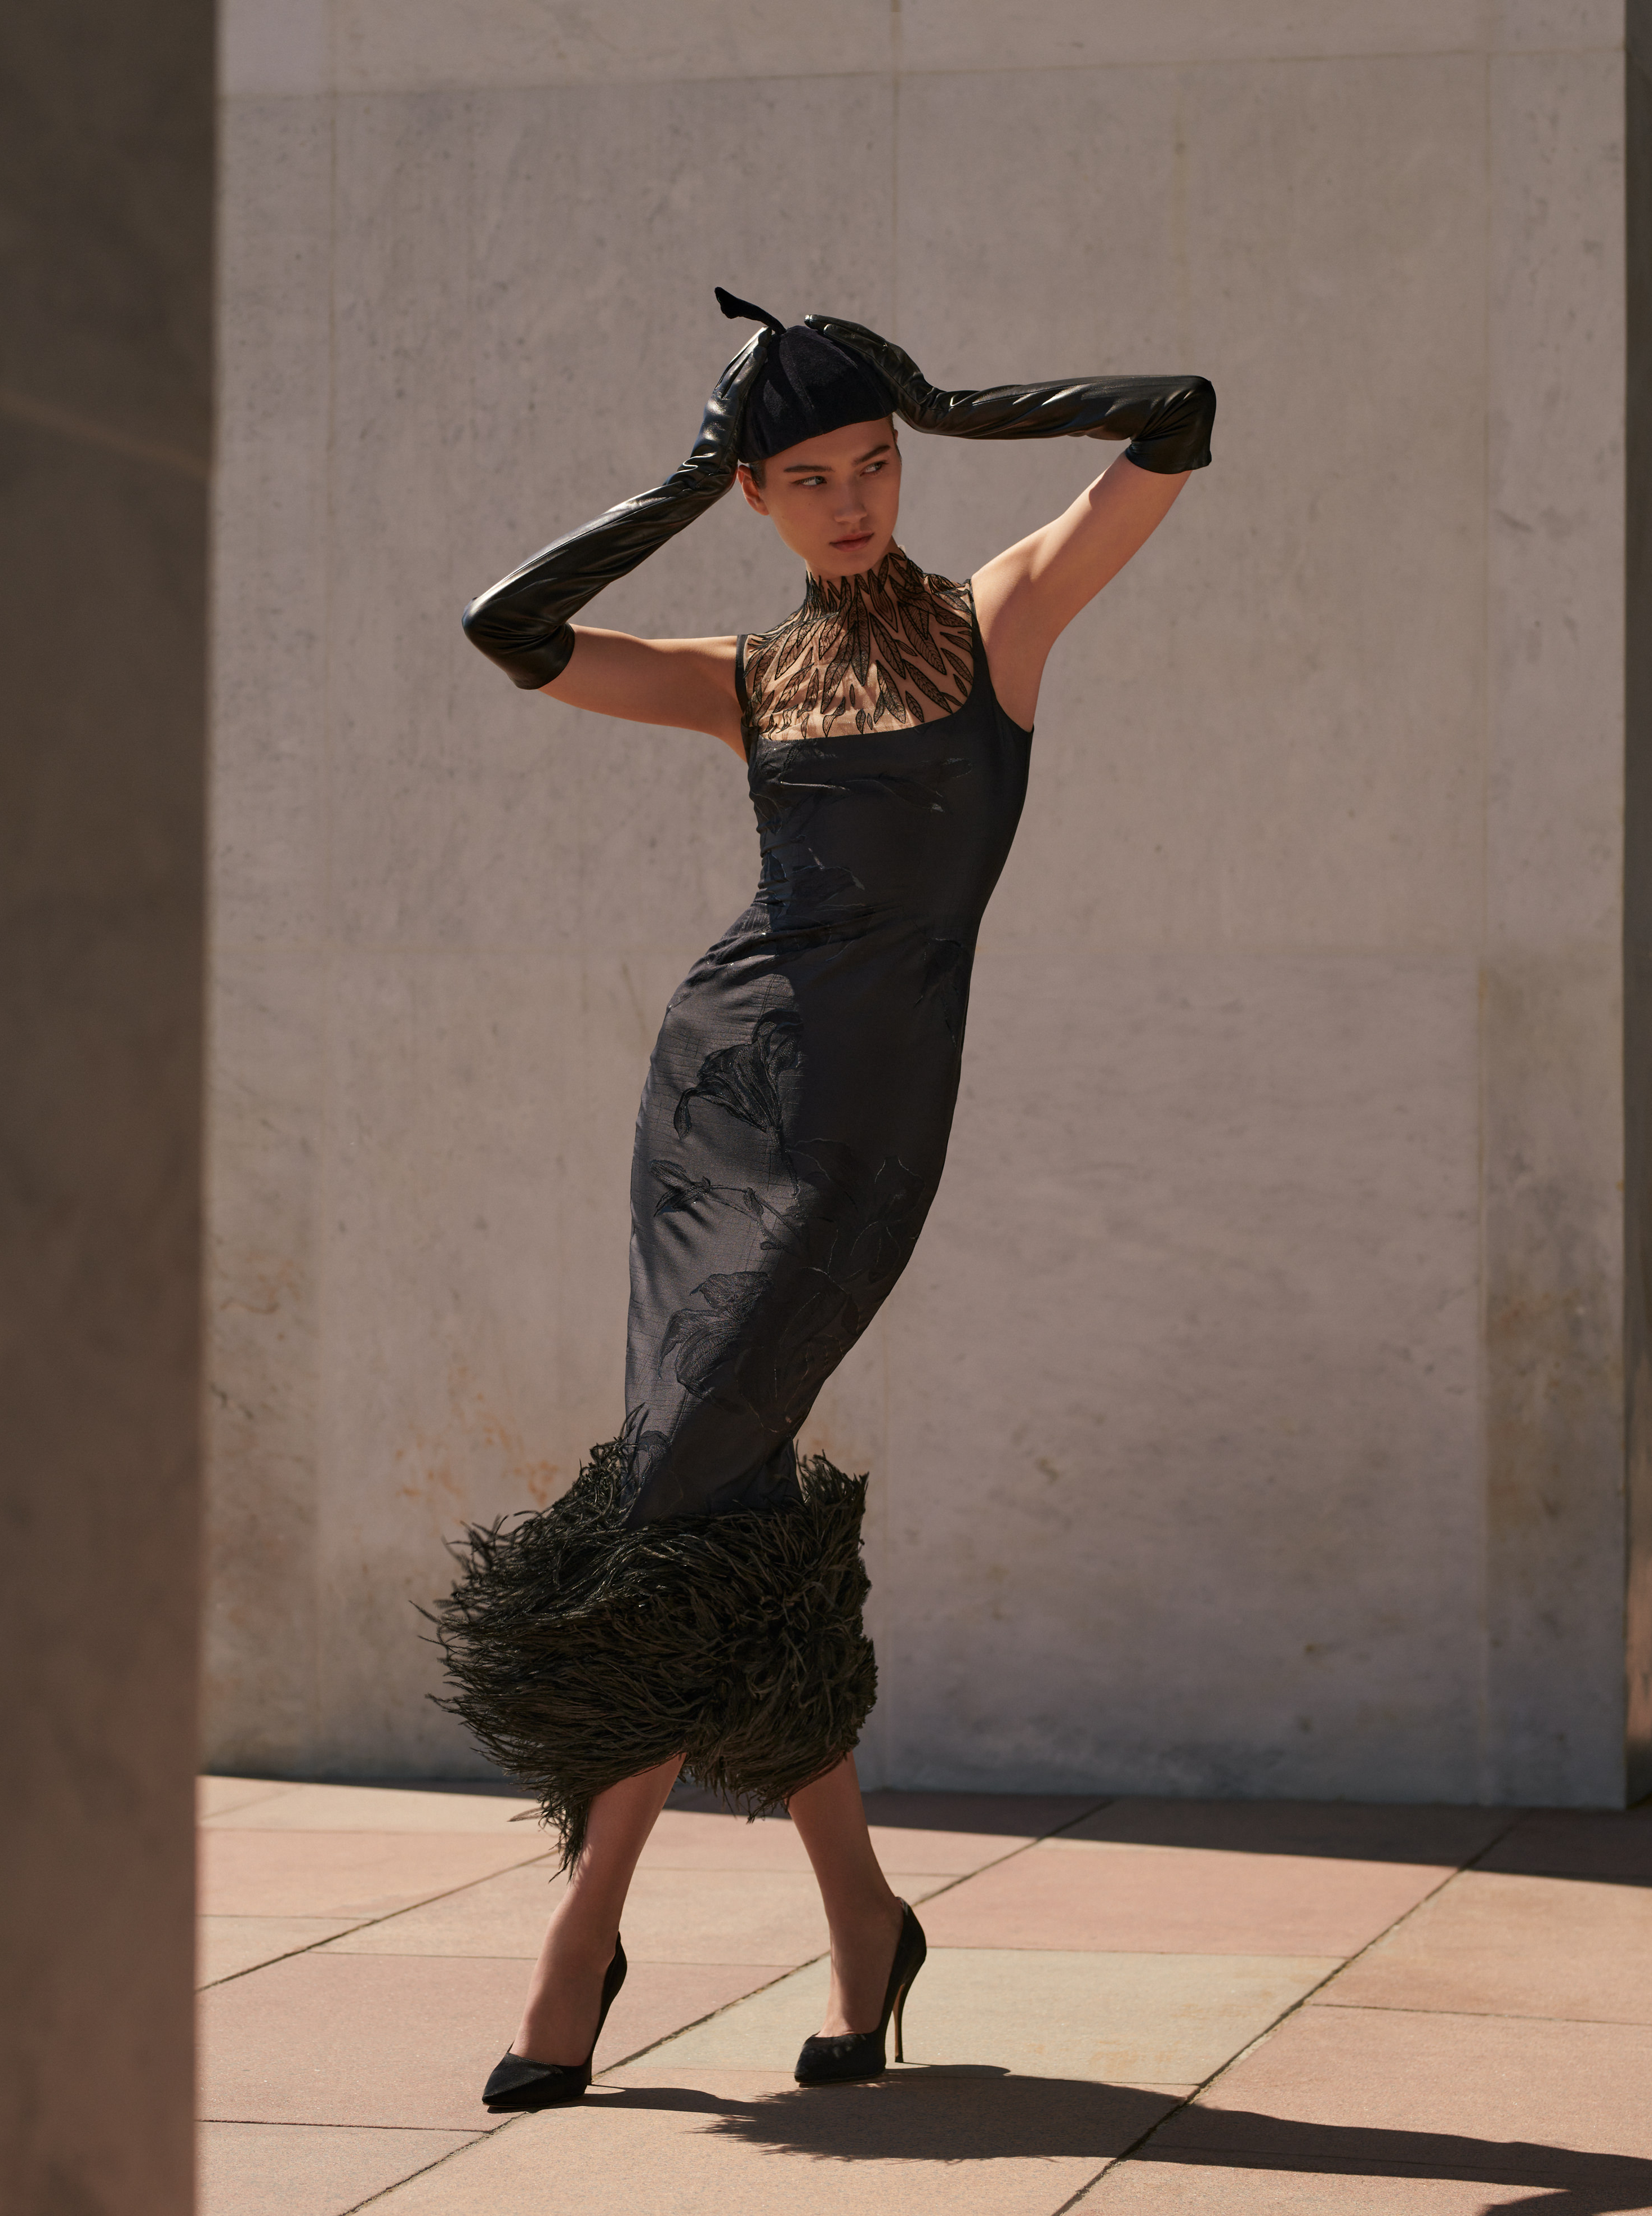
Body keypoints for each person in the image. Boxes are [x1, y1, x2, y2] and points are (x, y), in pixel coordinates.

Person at [438, 289, 1213, 2111]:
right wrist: (683, 476)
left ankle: (584, 1943)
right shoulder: (744, 678)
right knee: (714, 1494)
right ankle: (858, 1922)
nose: (855, 502)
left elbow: (1178, 413)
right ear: (759, 497)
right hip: (712, 1098)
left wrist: (946, 395)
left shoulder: (1001, 620)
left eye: (877, 464)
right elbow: (508, 629)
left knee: (680, 1483)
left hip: (864, 1131)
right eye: (809, 479)